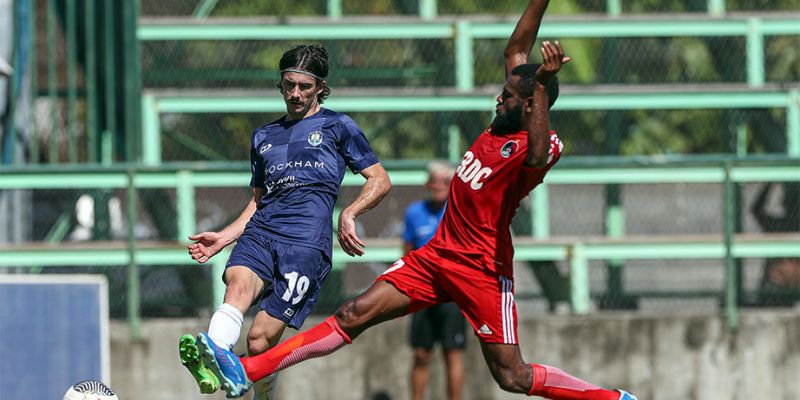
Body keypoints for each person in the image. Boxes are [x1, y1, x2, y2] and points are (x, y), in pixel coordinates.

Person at [193, 2, 638, 399]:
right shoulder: (507, 115)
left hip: (482, 269)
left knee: (512, 375)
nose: (497, 99)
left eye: (507, 98)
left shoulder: (537, 144)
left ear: (530, 106)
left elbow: (538, 153)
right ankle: (246, 370)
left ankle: (611, 399)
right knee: (353, 313)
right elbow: (516, 49)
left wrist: (542, 86)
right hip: (437, 255)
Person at [178, 44, 392, 400]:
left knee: (259, 341)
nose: (295, 93)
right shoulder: (263, 136)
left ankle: (254, 386)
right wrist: (225, 237)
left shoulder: (338, 126)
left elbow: (380, 180)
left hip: (306, 244)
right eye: (289, 84)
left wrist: (349, 213)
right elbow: (258, 200)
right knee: (237, 286)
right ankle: (216, 354)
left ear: (320, 87)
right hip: (262, 232)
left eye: (304, 86)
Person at [404, 161, 466, 400]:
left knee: (452, 353)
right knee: (421, 354)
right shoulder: (414, 213)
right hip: (422, 292)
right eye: (435, 181)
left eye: (445, 182)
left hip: (452, 293)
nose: (439, 186)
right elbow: (407, 253)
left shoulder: (460, 212)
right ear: (427, 184)